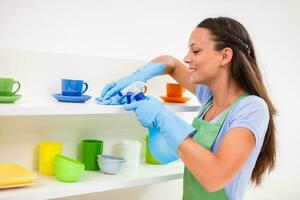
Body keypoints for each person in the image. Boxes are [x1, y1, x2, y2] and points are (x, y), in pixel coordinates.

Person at [98, 17, 276, 200]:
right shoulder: (210, 99)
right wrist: (137, 77)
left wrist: (162, 118)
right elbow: (171, 64)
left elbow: (215, 177)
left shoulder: (252, 108)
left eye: (196, 50)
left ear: (225, 56)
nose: (187, 58)